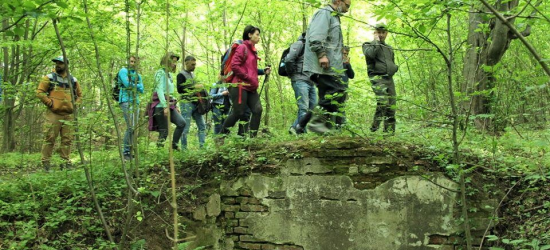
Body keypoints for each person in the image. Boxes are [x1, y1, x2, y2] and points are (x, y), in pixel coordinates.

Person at [295, 0, 351, 134]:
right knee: (338, 91)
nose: (347, 10)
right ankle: (317, 124)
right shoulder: (325, 13)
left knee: (326, 98)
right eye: (347, 6)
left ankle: (309, 126)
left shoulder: (333, 16)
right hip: (324, 66)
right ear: (338, 1)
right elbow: (316, 36)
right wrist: (321, 55)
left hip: (331, 65)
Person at [221, 25, 271, 137]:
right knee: (238, 112)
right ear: (249, 34)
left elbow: (251, 70)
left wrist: (263, 71)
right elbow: (235, 66)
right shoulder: (242, 47)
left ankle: (253, 140)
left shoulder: (253, 51)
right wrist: (248, 78)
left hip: (250, 86)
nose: (259, 37)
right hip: (239, 85)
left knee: (257, 110)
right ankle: (221, 136)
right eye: (257, 34)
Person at [36, 56, 82, 171]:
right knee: (50, 137)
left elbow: (80, 95)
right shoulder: (49, 78)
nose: (58, 65)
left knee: (67, 139)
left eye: (60, 63)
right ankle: (45, 163)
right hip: (54, 113)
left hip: (69, 114)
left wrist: (75, 105)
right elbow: (40, 92)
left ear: (66, 65)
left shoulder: (73, 80)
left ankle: (65, 162)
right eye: (56, 63)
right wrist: (50, 103)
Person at [362, 23, 398, 134]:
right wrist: (376, 42)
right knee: (383, 101)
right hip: (377, 78)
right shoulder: (367, 45)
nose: (381, 35)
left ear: (386, 33)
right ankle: (374, 128)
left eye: (383, 32)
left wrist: (394, 68)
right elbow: (371, 55)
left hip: (389, 79)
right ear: (374, 33)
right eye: (378, 32)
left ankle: (389, 132)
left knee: (391, 104)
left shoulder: (389, 48)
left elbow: (391, 61)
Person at [152, 52, 186, 150]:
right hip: (160, 106)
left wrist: (176, 105)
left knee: (182, 123)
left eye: (176, 62)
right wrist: (164, 106)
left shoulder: (169, 75)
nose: (174, 64)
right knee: (164, 131)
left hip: (170, 104)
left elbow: (170, 93)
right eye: (172, 61)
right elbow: (159, 90)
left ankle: (174, 146)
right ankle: (159, 153)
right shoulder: (160, 73)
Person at [285, 32, 317, 134]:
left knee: (313, 108)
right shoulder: (300, 44)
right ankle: (302, 134)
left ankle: (294, 127)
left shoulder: (313, 48)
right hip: (300, 80)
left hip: (311, 82)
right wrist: (293, 74)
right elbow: (289, 60)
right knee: (303, 107)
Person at [117, 55, 144, 160]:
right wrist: (136, 85)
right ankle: (126, 152)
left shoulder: (138, 75)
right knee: (130, 126)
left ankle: (130, 151)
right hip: (125, 100)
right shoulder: (123, 71)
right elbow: (127, 84)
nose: (132, 63)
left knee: (134, 127)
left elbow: (142, 89)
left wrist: (135, 86)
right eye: (131, 61)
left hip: (135, 102)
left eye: (134, 62)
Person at [177, 56, 206, 149]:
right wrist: (194, 87)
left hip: (196, 104)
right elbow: (180, 89)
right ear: (186, 63)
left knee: (202, 126)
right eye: (192, 64)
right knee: (185, 127)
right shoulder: (181, 75)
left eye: (195, 64)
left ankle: (202, 147)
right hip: (186, 103)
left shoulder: (193, 75)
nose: (194, 66)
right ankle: (184, 149)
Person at [336, 45, 355, 128]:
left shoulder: (346, 64)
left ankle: (342, 126)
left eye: (346, 54)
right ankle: (336, 126)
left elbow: (352, 75)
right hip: (335, 88)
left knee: (341, 107)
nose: (345, 55)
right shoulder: (335, 62)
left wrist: (348, 65)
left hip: (344, 88)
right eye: (343, 53)